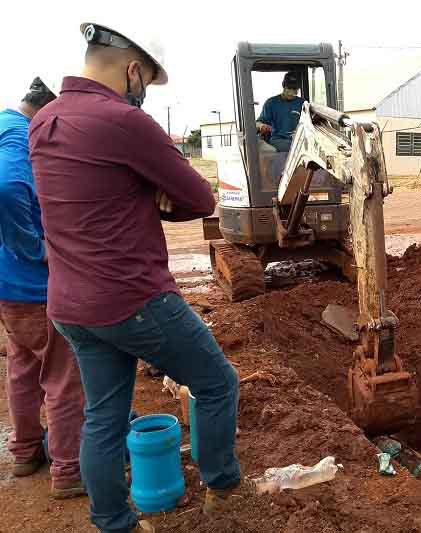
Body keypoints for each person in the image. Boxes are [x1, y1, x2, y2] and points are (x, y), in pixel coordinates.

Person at [28, 22, 240, 533]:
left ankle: (113, 522)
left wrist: (136, 194)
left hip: (70, 307)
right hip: (132, 299)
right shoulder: (124, 122)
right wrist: (151, 195)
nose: (141, 90)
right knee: (216, 384)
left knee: (103, 417)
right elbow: (200, 198)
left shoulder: (45, 120)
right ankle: (225, 490)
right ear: (131, 69)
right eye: (144, 79)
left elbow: (90, 195)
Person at [0, 76, 86, 499]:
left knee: (23, 366)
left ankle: (25, 450)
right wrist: (36, 248)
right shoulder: (18, 137)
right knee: (64, 375)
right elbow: (8, 186)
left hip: (8, 286)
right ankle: (69, 470)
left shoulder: (3, 127)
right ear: (46, 107)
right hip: (34, 285)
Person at [255, 71, 304, 153]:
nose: (291, 93)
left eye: (294, 89)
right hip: (279, 140)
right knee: (294, 149)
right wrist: (261, 126)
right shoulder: (271, 103)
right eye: (289, 88)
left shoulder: (302, 103)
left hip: (299, 139)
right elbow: (259, 122)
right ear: (283, 86)